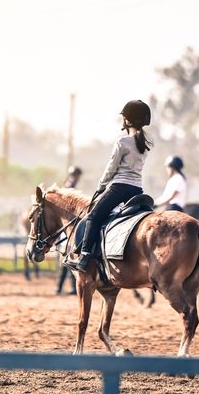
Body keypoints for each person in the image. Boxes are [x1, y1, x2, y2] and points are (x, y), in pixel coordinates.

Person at [64, 100, 152, 273]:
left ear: (128, 121)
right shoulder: (145, 144)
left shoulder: (123, 141)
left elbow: (111, 168)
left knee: (93, 217)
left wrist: (101, 186)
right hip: (137, 190)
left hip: (119, 188)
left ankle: (84, 257)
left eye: (124, 117)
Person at [56, 166, 82, 294]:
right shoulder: (70, 186)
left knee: (68, 257)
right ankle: (65, 287)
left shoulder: (68, 184)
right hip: (69, 226)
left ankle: (60, 287)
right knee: (69, 256)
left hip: (68, 225)